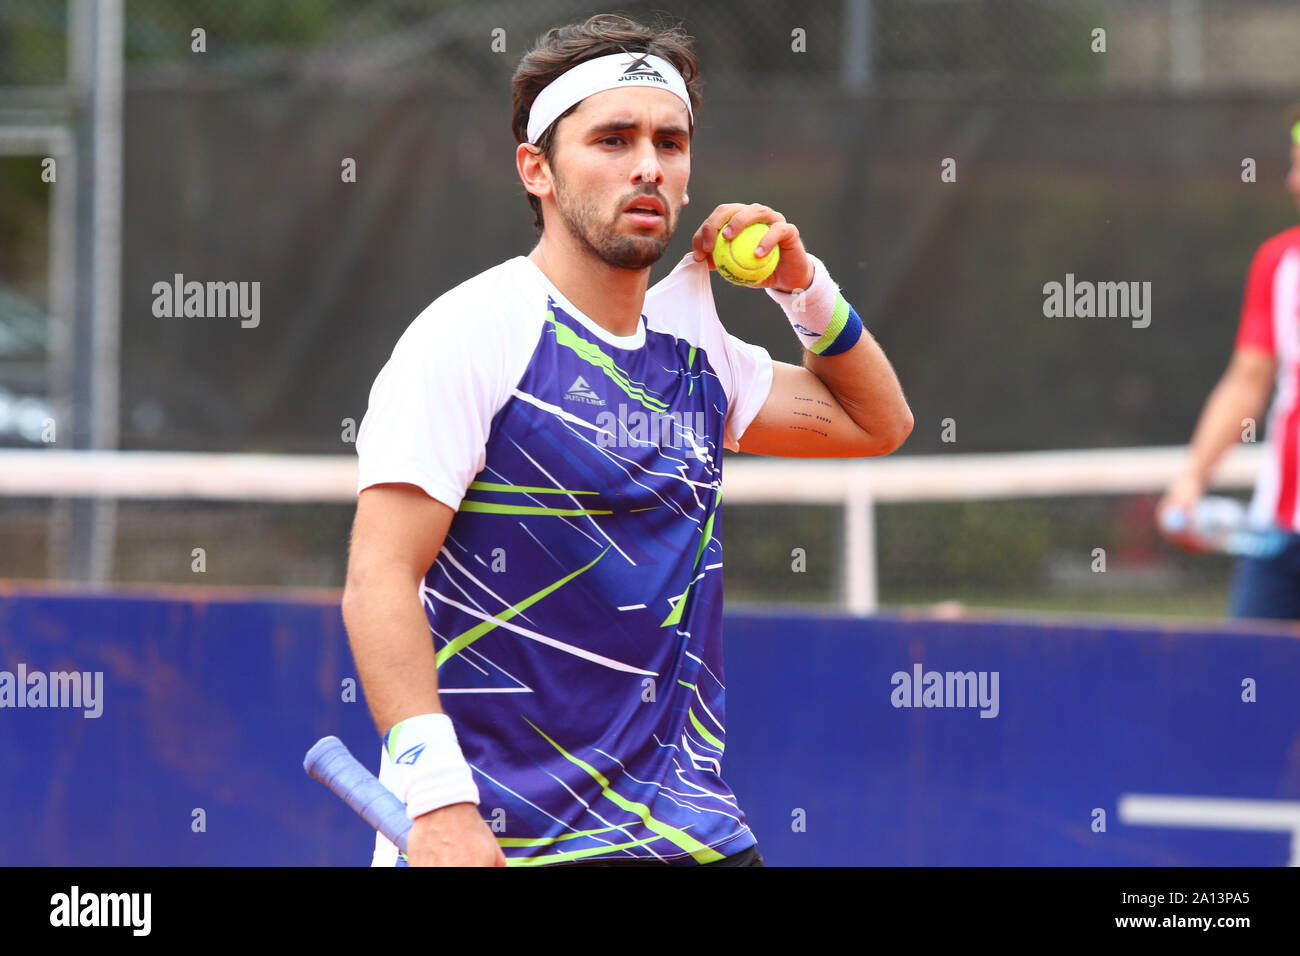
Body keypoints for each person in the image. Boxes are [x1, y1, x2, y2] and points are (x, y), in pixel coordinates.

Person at [342, 13, 913, 868]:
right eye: (613, 139)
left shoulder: (694, 352)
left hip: (689, 833)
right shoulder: (471, 335)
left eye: (670, 142)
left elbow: (879, 423)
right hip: (502, 839)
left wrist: (804, 287)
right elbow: (378, 577)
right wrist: (440, 803)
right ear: (536, 168)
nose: (648, 164)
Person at [1158, 103, 1300, 620]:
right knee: (1246, 692)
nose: (1291, 181)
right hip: (1280, 538)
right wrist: (1193, 479)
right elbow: (1248, 381)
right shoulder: (1278, 264)